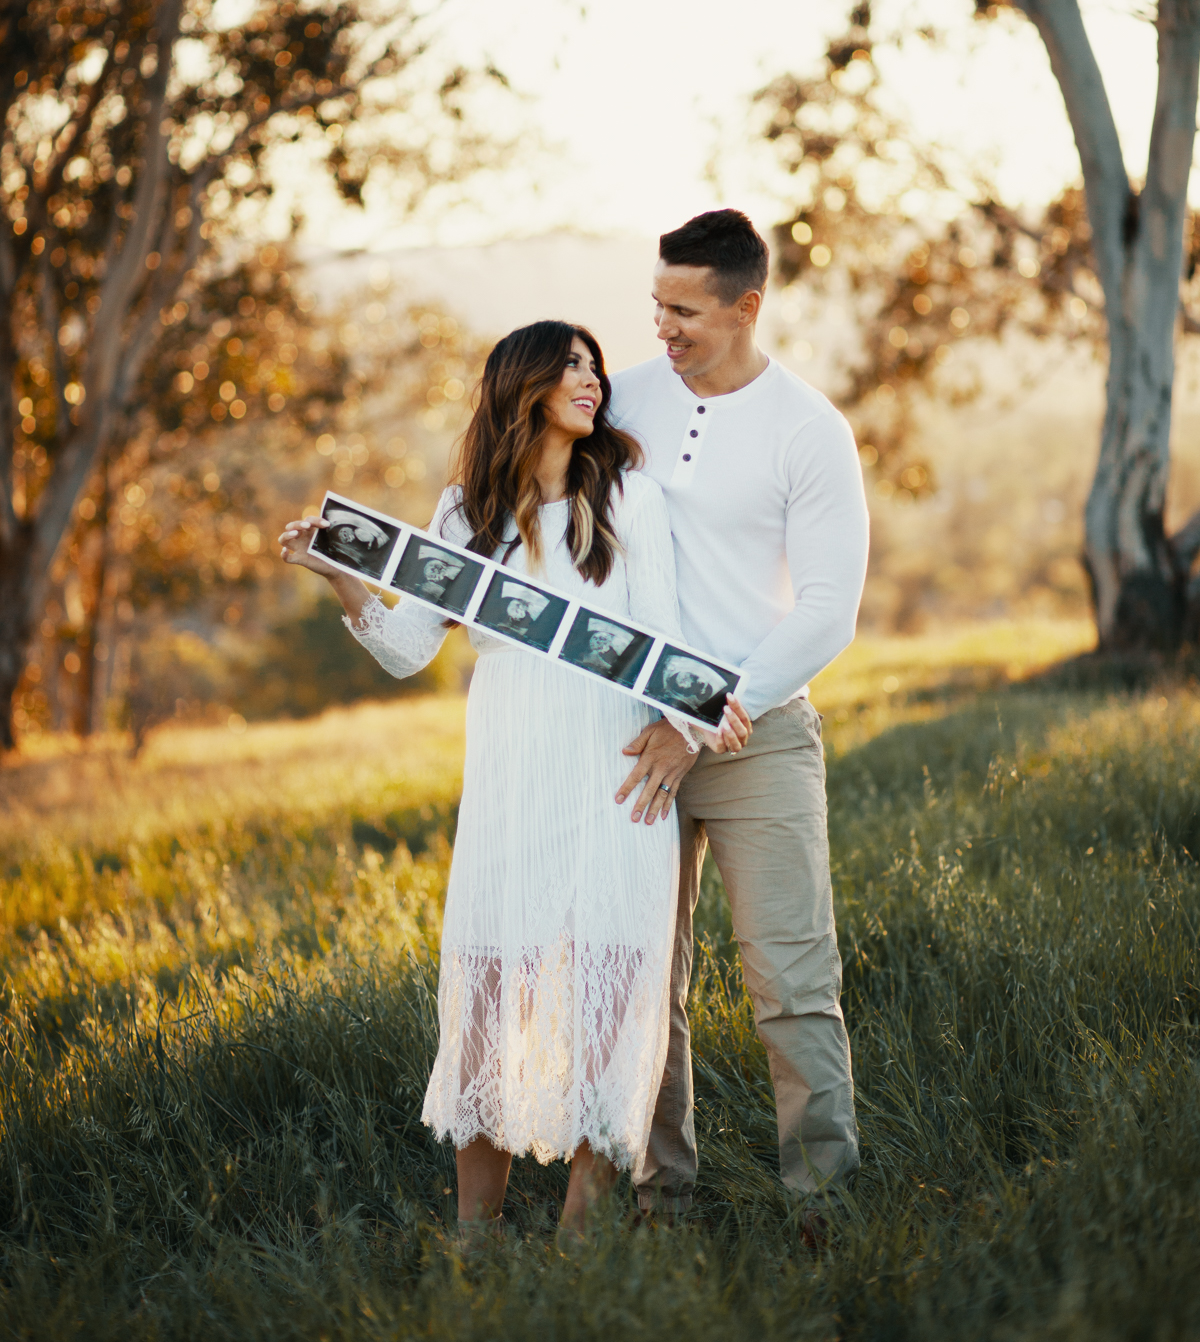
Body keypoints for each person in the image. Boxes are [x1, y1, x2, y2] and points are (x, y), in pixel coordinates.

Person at [279, 321, 751, 1239]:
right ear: (524, 384)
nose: (591, 380)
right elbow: (409, 651)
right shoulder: (466, 515)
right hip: (510, 777)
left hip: (612, 773)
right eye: (571, 365)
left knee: (611, 991)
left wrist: (685, 720)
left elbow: (661, 634)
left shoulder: (629, 499)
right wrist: (340, 576)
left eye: (594, 366)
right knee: (492, 996)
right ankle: (473, 1236)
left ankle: (581, 1233)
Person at [608, 208, 869, 1223]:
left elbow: (827, 612)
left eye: (685, 312)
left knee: (792, 981)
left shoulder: (808, 429)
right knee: (643, 981)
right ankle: (659, 1199)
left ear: (747, 306)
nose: (663, 329)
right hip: (633, 738)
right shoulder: (625, 396)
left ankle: (822, 1207)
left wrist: (710, 713)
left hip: (759, 736)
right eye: (657, 306)